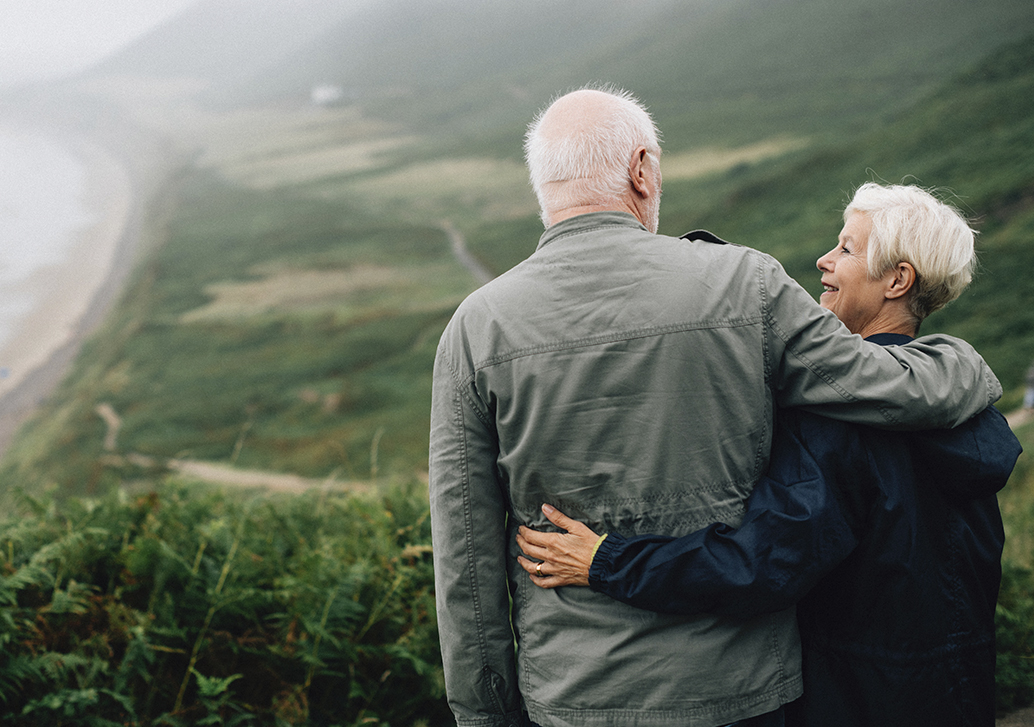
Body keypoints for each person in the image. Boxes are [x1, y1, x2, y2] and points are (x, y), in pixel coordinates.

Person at [428, 87, 1003, 727]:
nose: (827, 259)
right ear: (642, 169)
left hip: (573, 695)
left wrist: (484, 713)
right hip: (746, 691)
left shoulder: (474, 329)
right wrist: (963, 362)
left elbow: (466, 563)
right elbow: (885, 386)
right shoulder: (745, 283)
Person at [515, 182, 1023, 726]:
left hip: (857, 701)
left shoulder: (844, 423)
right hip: (957, 693)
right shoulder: (966, 409)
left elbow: (761, 565)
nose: (824, 261)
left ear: (898, 280)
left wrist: (606, 561)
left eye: (847, 249)